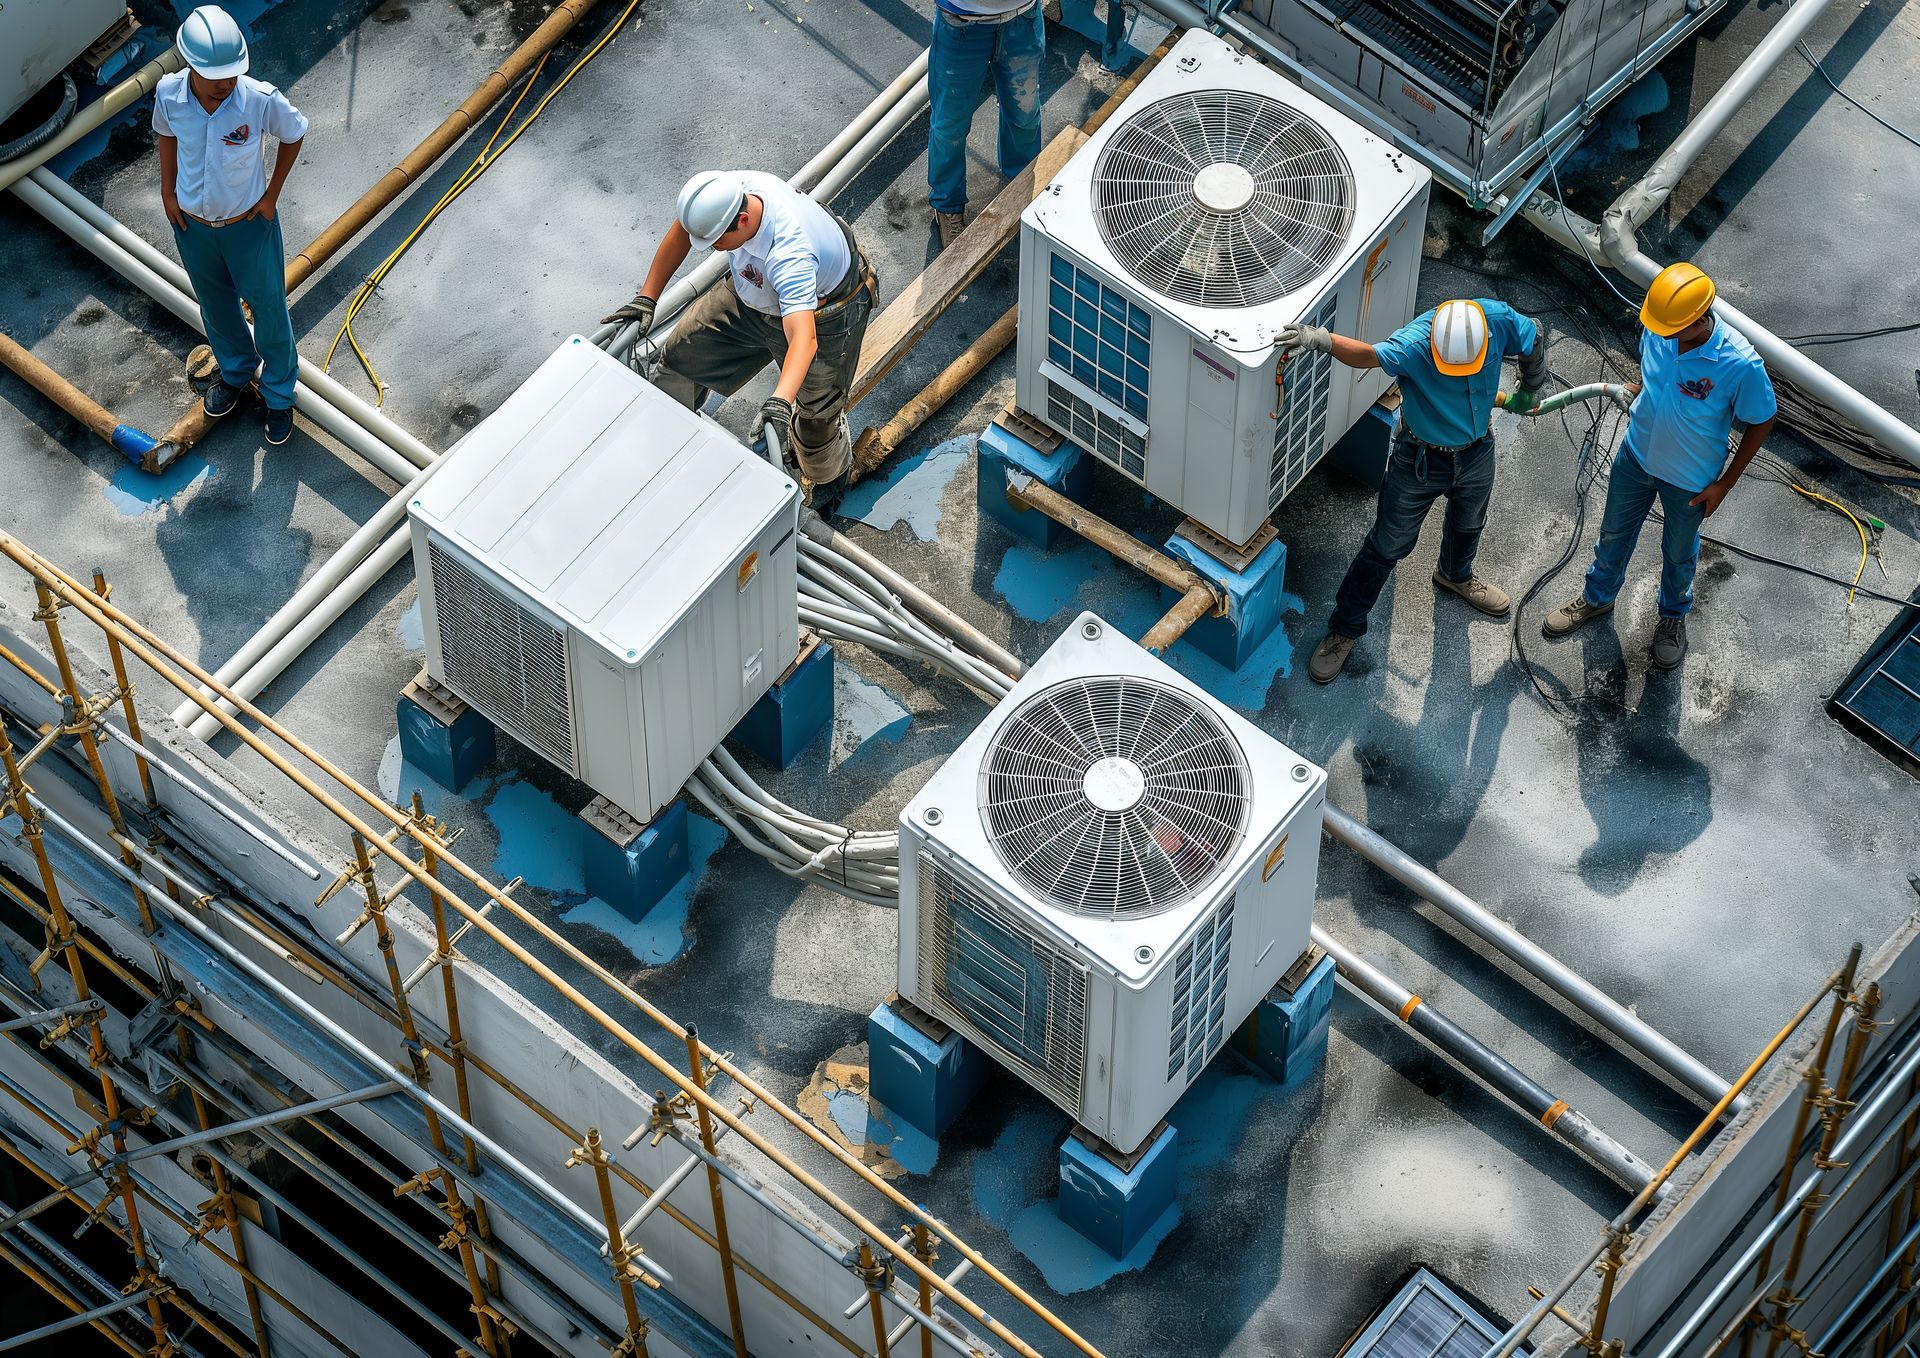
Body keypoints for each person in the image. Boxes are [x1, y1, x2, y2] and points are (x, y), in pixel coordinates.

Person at [1280, 299, 1547, 684]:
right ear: (1435, 348)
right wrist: (1321, 339)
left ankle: (1455, 575)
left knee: (1469, 522)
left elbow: (1533, 340)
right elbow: (1368, 356)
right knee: (1386, 545)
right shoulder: (1416, 343)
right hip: (1419, 460)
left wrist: (1530, 386)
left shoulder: (1499, 321)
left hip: (1476, 452)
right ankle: (1345, 628)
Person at [1542, 263, 1776, 670]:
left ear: (1699, 319)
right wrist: (1638, 389)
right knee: (1613, 533)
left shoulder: (1739, 364)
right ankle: (1597, 598)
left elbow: (1762, 420)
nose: (1662, 335)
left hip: (1689, 479)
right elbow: (1655, 376)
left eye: (1671, 330)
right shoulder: (1661, 327)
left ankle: (1671, 620)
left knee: (1679, 553)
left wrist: (1724, 485)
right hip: (1636, 455)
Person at [603, 171, 878, 512]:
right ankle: (664, 442)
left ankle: (829, 486)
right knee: (682, 355)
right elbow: (686, 229)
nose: (712, 248)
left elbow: (804, 340)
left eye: (717, 241)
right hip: (755, 291)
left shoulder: (788, 254)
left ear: (743, 221)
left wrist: (780, 401)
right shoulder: (730, 190)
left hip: (823, 317)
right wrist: (648, 296)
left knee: (814, 423)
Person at [153, 6, 307, 447]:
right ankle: (236, 371)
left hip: (247, 227)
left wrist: (271, 196)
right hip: (193, 228)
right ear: (190, 67)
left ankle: (279, 397)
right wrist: (168, 193)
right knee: (216, 306)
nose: (227, 83)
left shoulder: (258, 99)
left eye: (233, 73)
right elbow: (165, 133)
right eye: (216, 75)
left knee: (270, 312)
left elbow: (294, 132)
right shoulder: (169, 94)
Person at [926, 0, 1045, 249]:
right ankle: (947, 206)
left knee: (1024, 115)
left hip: (1023, 17)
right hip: (961, 25)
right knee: (949, 127)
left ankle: (1020, 184)